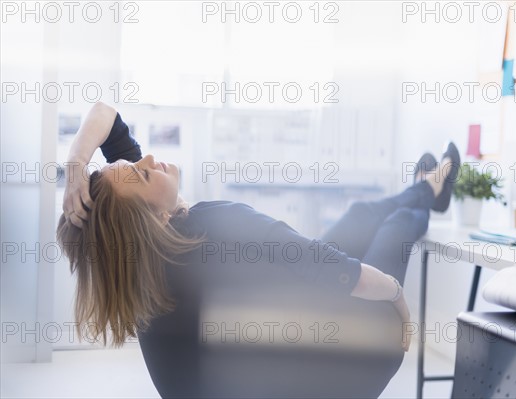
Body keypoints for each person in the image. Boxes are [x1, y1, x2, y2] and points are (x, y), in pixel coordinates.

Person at [56, 102, 460, 395]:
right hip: (358, 351)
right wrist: (396, 295)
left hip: (301, 332)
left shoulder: (140, 266)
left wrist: (77, 163)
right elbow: (321, 262)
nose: (148, 158)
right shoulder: (215, 220)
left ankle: (425, 189)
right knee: (395, 226)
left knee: (359, 212)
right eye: (142, 172)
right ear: (153, 220)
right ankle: (426, 193)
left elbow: (107, 120)